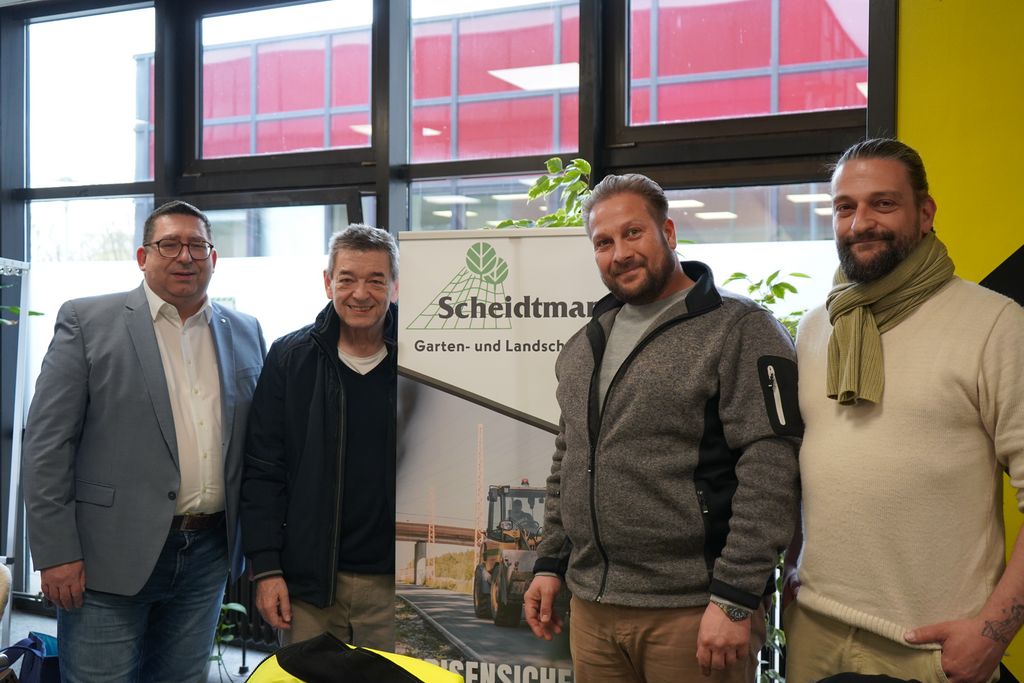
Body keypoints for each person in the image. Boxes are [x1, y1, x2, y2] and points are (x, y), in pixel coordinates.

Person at [523, 173, 801, 682]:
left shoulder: (739, 328)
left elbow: (771, 467)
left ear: (668, 233)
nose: (620, 253)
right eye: (604, 242)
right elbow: (570, 458)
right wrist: (550, 563)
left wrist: (735, 597)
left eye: (633, 233)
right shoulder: (586, 343)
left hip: (694, 610)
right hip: (594, 609)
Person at [783, 138, 1024, 683]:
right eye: (845, 207)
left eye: (883, 204)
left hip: (930, 647)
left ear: (926, 213)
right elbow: (806, 462)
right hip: (815, 631)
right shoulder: (817, 327)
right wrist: (793, 563)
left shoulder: (994, 324)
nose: (860, 223)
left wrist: (992, 632)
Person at [21, 200, 266, 682]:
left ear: (214, 257)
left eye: (198, 245)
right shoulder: (87, 321)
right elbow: (48, 444)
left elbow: (254, 446)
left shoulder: (244, 330)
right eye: (169, 244)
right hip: (104, 557)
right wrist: (55, 553)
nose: (185, 256)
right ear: (142, 256)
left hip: (207, 556)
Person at [241, 224, 399, 650]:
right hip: (309, 585)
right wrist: (267, 569)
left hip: (397, 586)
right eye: (347, 279)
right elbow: (263, 470)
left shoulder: (421, 361)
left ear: (395, 287)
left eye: (375, 280)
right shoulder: (290, 358)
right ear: (328, 283)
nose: (360, 293)